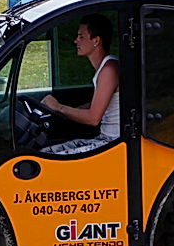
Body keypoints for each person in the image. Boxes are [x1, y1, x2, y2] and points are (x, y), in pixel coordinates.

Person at [39, 13, 120, 153]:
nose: (76, 41)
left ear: (96, 41)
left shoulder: (109, 70)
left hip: (112, 143)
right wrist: (66, 111)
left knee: (48, 157)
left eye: (81, 37)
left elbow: (93, 118)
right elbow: (95, 105)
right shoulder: (104, 68)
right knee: (44, 152)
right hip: (103, 139)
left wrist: (58, 107)